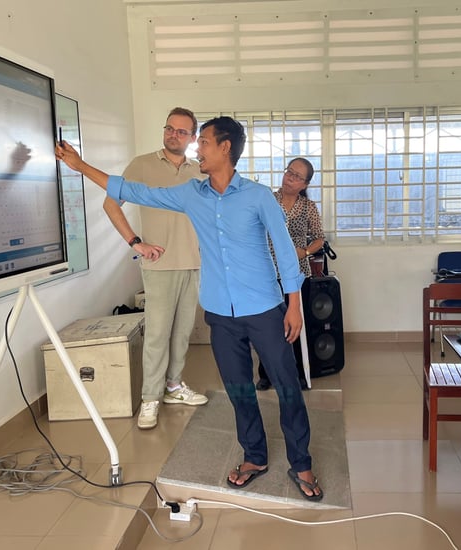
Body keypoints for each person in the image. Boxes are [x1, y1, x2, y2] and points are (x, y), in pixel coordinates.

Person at [56, 116, 324, 500]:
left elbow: (284, 250)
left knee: (286, 387)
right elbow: (132, 190)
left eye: (205, 142)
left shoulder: (258, 195)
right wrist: (80, 166)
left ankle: (302, 463)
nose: (197, 148)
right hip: (220, 311)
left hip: (265, 307)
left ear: (226, 148)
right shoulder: (190, 194)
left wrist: (294, 304)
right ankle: (255, 456)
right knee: (238, 389)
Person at [103, 107, 208, 431]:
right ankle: (150, 399)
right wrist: (136, 242)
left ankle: (174, 387)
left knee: (181, 334)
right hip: (159, 265)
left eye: (181, 132)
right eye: (169, 129)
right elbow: (110, 203)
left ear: (192, 138)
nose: (173, 135)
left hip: (193, 264)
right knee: (158, 336)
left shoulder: (200, 171)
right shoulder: (142, 165)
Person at [256, 157, 325, 391]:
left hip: (296, 273)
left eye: (297, 177)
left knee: (294, 324)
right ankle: (265, 374)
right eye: (289, 172)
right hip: (266, 271)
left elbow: (319, 238)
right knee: (267, 327)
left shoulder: (308, 207)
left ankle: (297, 373)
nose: (290, 178)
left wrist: (304, 251)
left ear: (304, 184)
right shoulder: (267, 200)